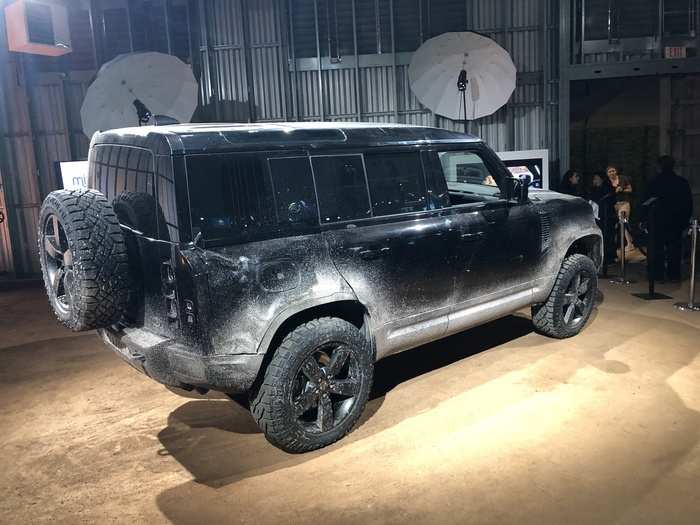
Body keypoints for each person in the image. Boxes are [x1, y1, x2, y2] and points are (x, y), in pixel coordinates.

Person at [642, 155, 694, 282]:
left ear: (659, 166)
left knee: (656, 249)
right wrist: (685, 220)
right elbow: (688, 203)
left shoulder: (654, 182)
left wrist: (643, 219)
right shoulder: (681, 182)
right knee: (674, 249)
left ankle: (657, 274)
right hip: (676, 221)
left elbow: (646, 201)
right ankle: (673, 274)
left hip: (657, 220)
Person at [607, 165, 637, 252]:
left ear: (616, 171)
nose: (612, 173)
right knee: (616, 224)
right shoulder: (607, 182)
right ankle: (616, 245)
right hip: (613, 205)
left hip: (624, 203)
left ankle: (629, 244)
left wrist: (622, 190)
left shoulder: (623, 178)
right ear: (607, 174)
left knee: (623, 220)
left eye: (613, 170)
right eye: (609, 171)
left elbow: (630, 189)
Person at [590, 171, 617, 266]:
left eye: (596, 178)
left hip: (605, 217)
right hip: (600, 217)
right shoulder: (596, 189)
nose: (594, 180)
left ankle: (607, 258)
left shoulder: (606, 190)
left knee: (607, 237)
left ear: (601, 179)